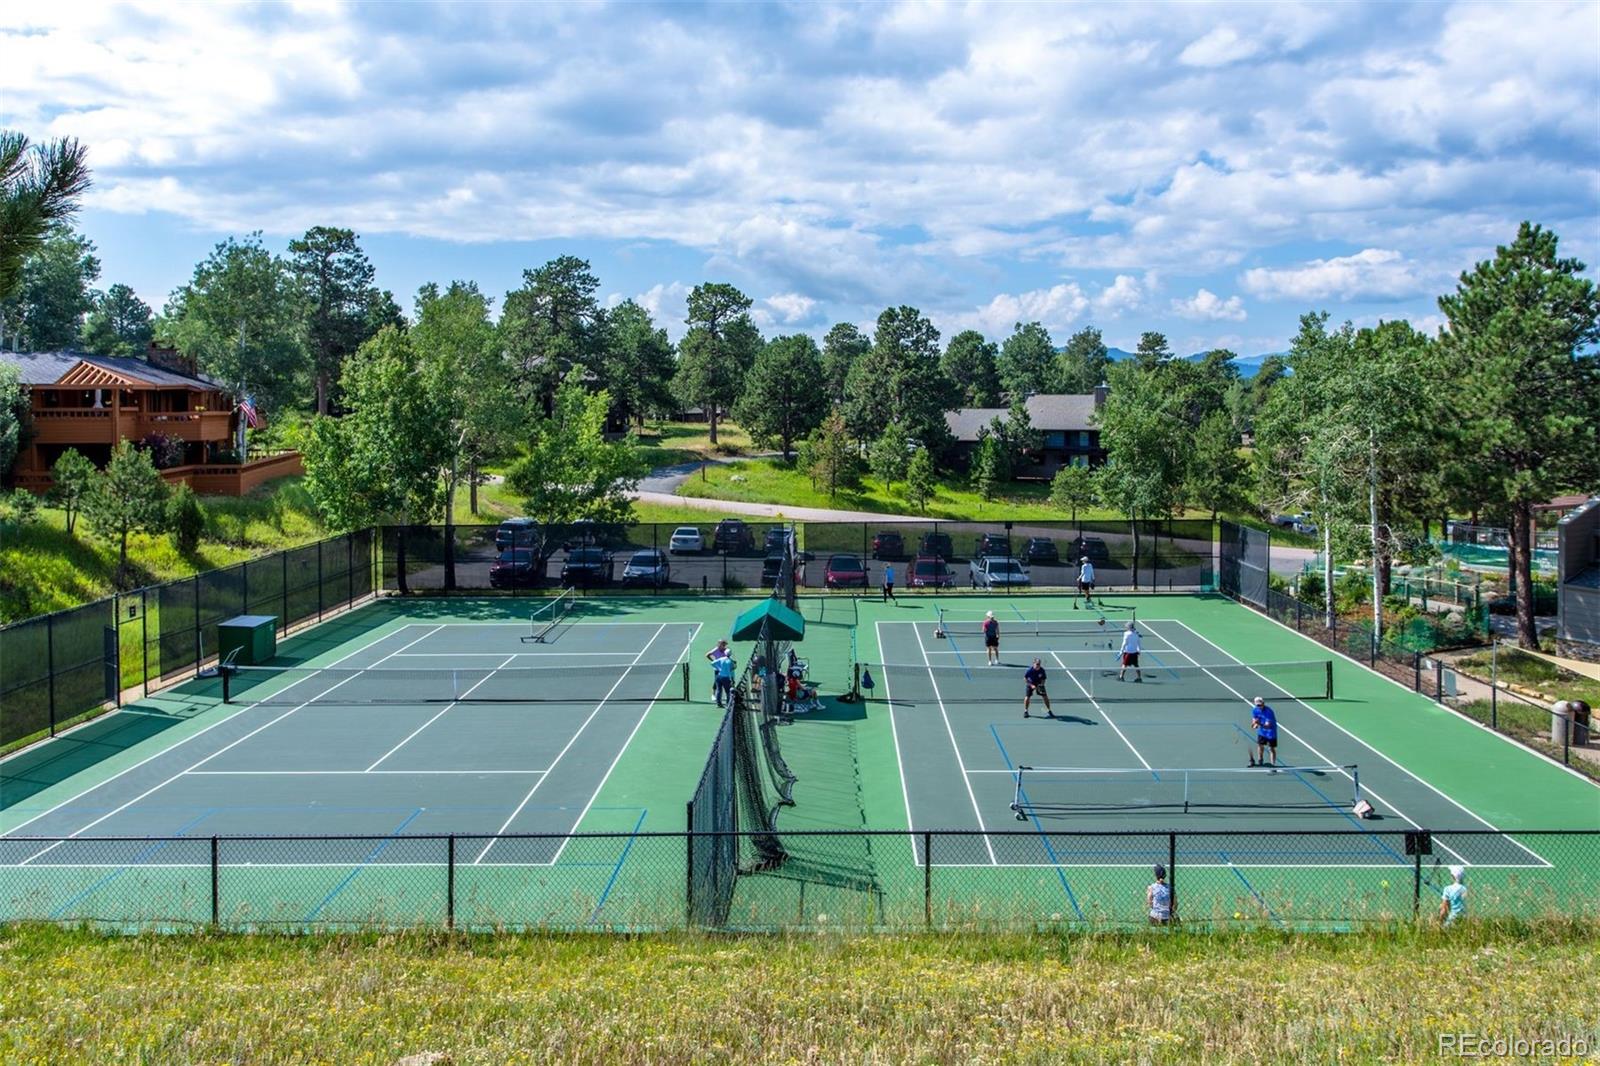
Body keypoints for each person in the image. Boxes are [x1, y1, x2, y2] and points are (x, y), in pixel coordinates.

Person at [1249, 696, 1279, 768]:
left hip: (1271, 732)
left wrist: (1258, 724)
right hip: (1262, 732)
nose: (1259, 706)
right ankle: (1260, 760)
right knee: (1260, 745)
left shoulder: (1269, 712)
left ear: (1263, 703)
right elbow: (1254, 719)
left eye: (1260, 704)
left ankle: (1273, 765)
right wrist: (1254, 724)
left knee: (1271, 748)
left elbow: (1267, 726)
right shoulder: (1255, 710)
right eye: (1258, 705)